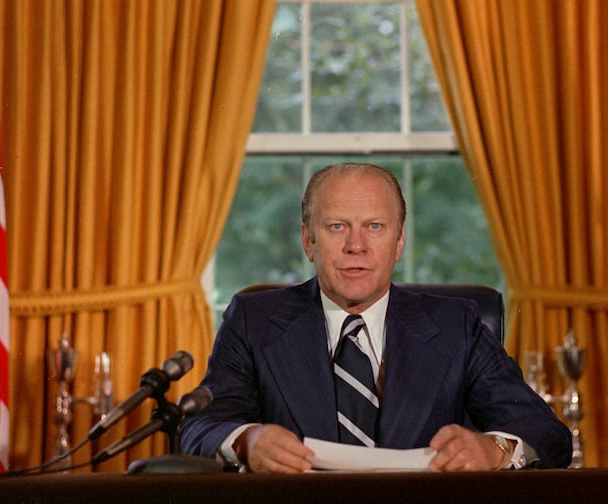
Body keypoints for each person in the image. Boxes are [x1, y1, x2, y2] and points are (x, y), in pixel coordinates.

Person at [180, 162, 571, 472]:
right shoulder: (254, 320)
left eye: (375, 227)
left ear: (399, 241)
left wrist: (493, 449)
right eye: (337, 227)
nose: (356, 246)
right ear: (308, 241)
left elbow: (546, 432)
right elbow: (199, 428)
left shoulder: (457, 326)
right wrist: (247, 440)